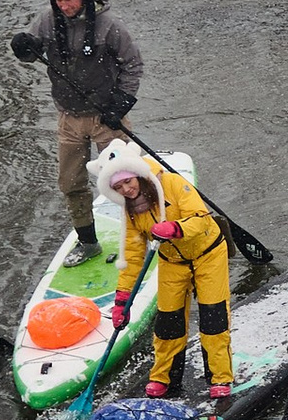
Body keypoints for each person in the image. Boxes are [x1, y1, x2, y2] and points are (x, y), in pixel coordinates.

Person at [8, 0, 143, 258]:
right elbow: (31, 54)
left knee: (125, 181)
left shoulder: (109, 25)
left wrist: (120, 103)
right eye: (59, 1)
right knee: (70, 183)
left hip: (106, 116)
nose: (65, 6)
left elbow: (132, 65)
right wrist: (23, 48)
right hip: (69, 117)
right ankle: (88, 243)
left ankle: (140, 236)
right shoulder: (46, 21)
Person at [97, 141, 232, 402]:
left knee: (213, 318)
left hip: (208, 254)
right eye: (118, 187)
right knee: (168, 323)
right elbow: (133, 257)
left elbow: (201, 219)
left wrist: (175, 229)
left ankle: (219, 377)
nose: (127, 189)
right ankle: (164, 377)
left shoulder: (172, 184)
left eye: (128, 181)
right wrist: (122, 300)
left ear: (137, 174)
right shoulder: (131, 213)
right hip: (172, 260)